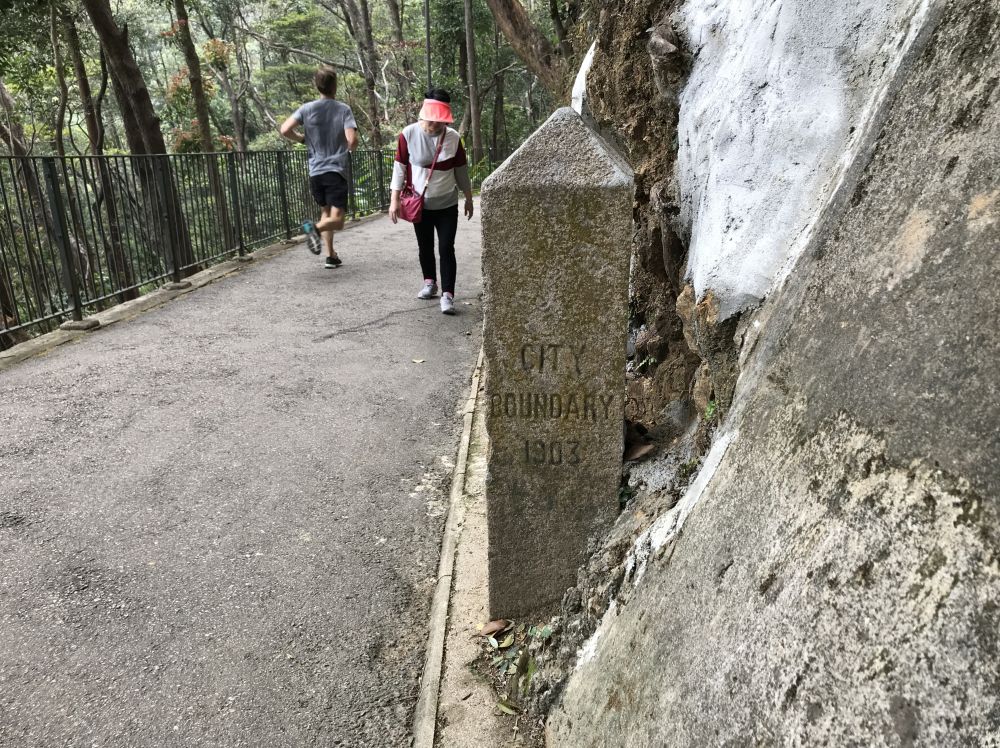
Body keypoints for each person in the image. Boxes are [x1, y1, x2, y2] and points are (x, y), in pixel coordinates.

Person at [389, 89, 474, 315]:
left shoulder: (453, 138)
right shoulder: (408, 134)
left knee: (446, 247)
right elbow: (400, 168)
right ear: (422, 115)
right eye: (431, 120)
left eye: (440, 122)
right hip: (421, 204)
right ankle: (429, 282)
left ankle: (448, 294)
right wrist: (394, 199)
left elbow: (461, 171)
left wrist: (468, 197)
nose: (434, 126)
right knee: (424, 245)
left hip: (446, 204)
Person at [280, 66, 358, 269]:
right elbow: (352, 140)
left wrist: (301, 139)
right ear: (335, 85)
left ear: (317, 86)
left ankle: (331, 255)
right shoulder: (343, 109)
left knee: (326, 212)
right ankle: (312, 228)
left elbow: (285, 129)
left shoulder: (306, 109)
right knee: (338, 220)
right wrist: (348, 147)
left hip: (315, 171)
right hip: (335, 170)